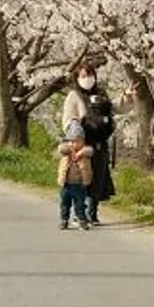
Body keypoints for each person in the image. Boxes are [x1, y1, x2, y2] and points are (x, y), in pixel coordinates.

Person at [61, 63, 118, 225]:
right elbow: (68, 118)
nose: (87, 80)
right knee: (82, 177)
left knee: (98, 178)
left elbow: (114, 108)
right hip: (83, 143)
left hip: (100, 143)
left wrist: (127, 95)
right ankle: (79, 212)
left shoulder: (101, 93)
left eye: (90, 75)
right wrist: (74, 130)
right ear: (77, 78)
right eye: (83, 76)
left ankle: (92, 212)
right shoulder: (74, 96)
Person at [56, 122, 93, 231]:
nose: (74, 144)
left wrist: (80, 153)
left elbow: (90, 150)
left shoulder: (85, 152)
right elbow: (61, 148)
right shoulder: (66, 151)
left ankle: (81, 220)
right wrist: (71, 149)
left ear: (83, 141)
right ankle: (64, 220)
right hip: (66, 184)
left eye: (78, 141)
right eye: (72, 141)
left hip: (79, 184)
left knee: (80, 204)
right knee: (64, 204)